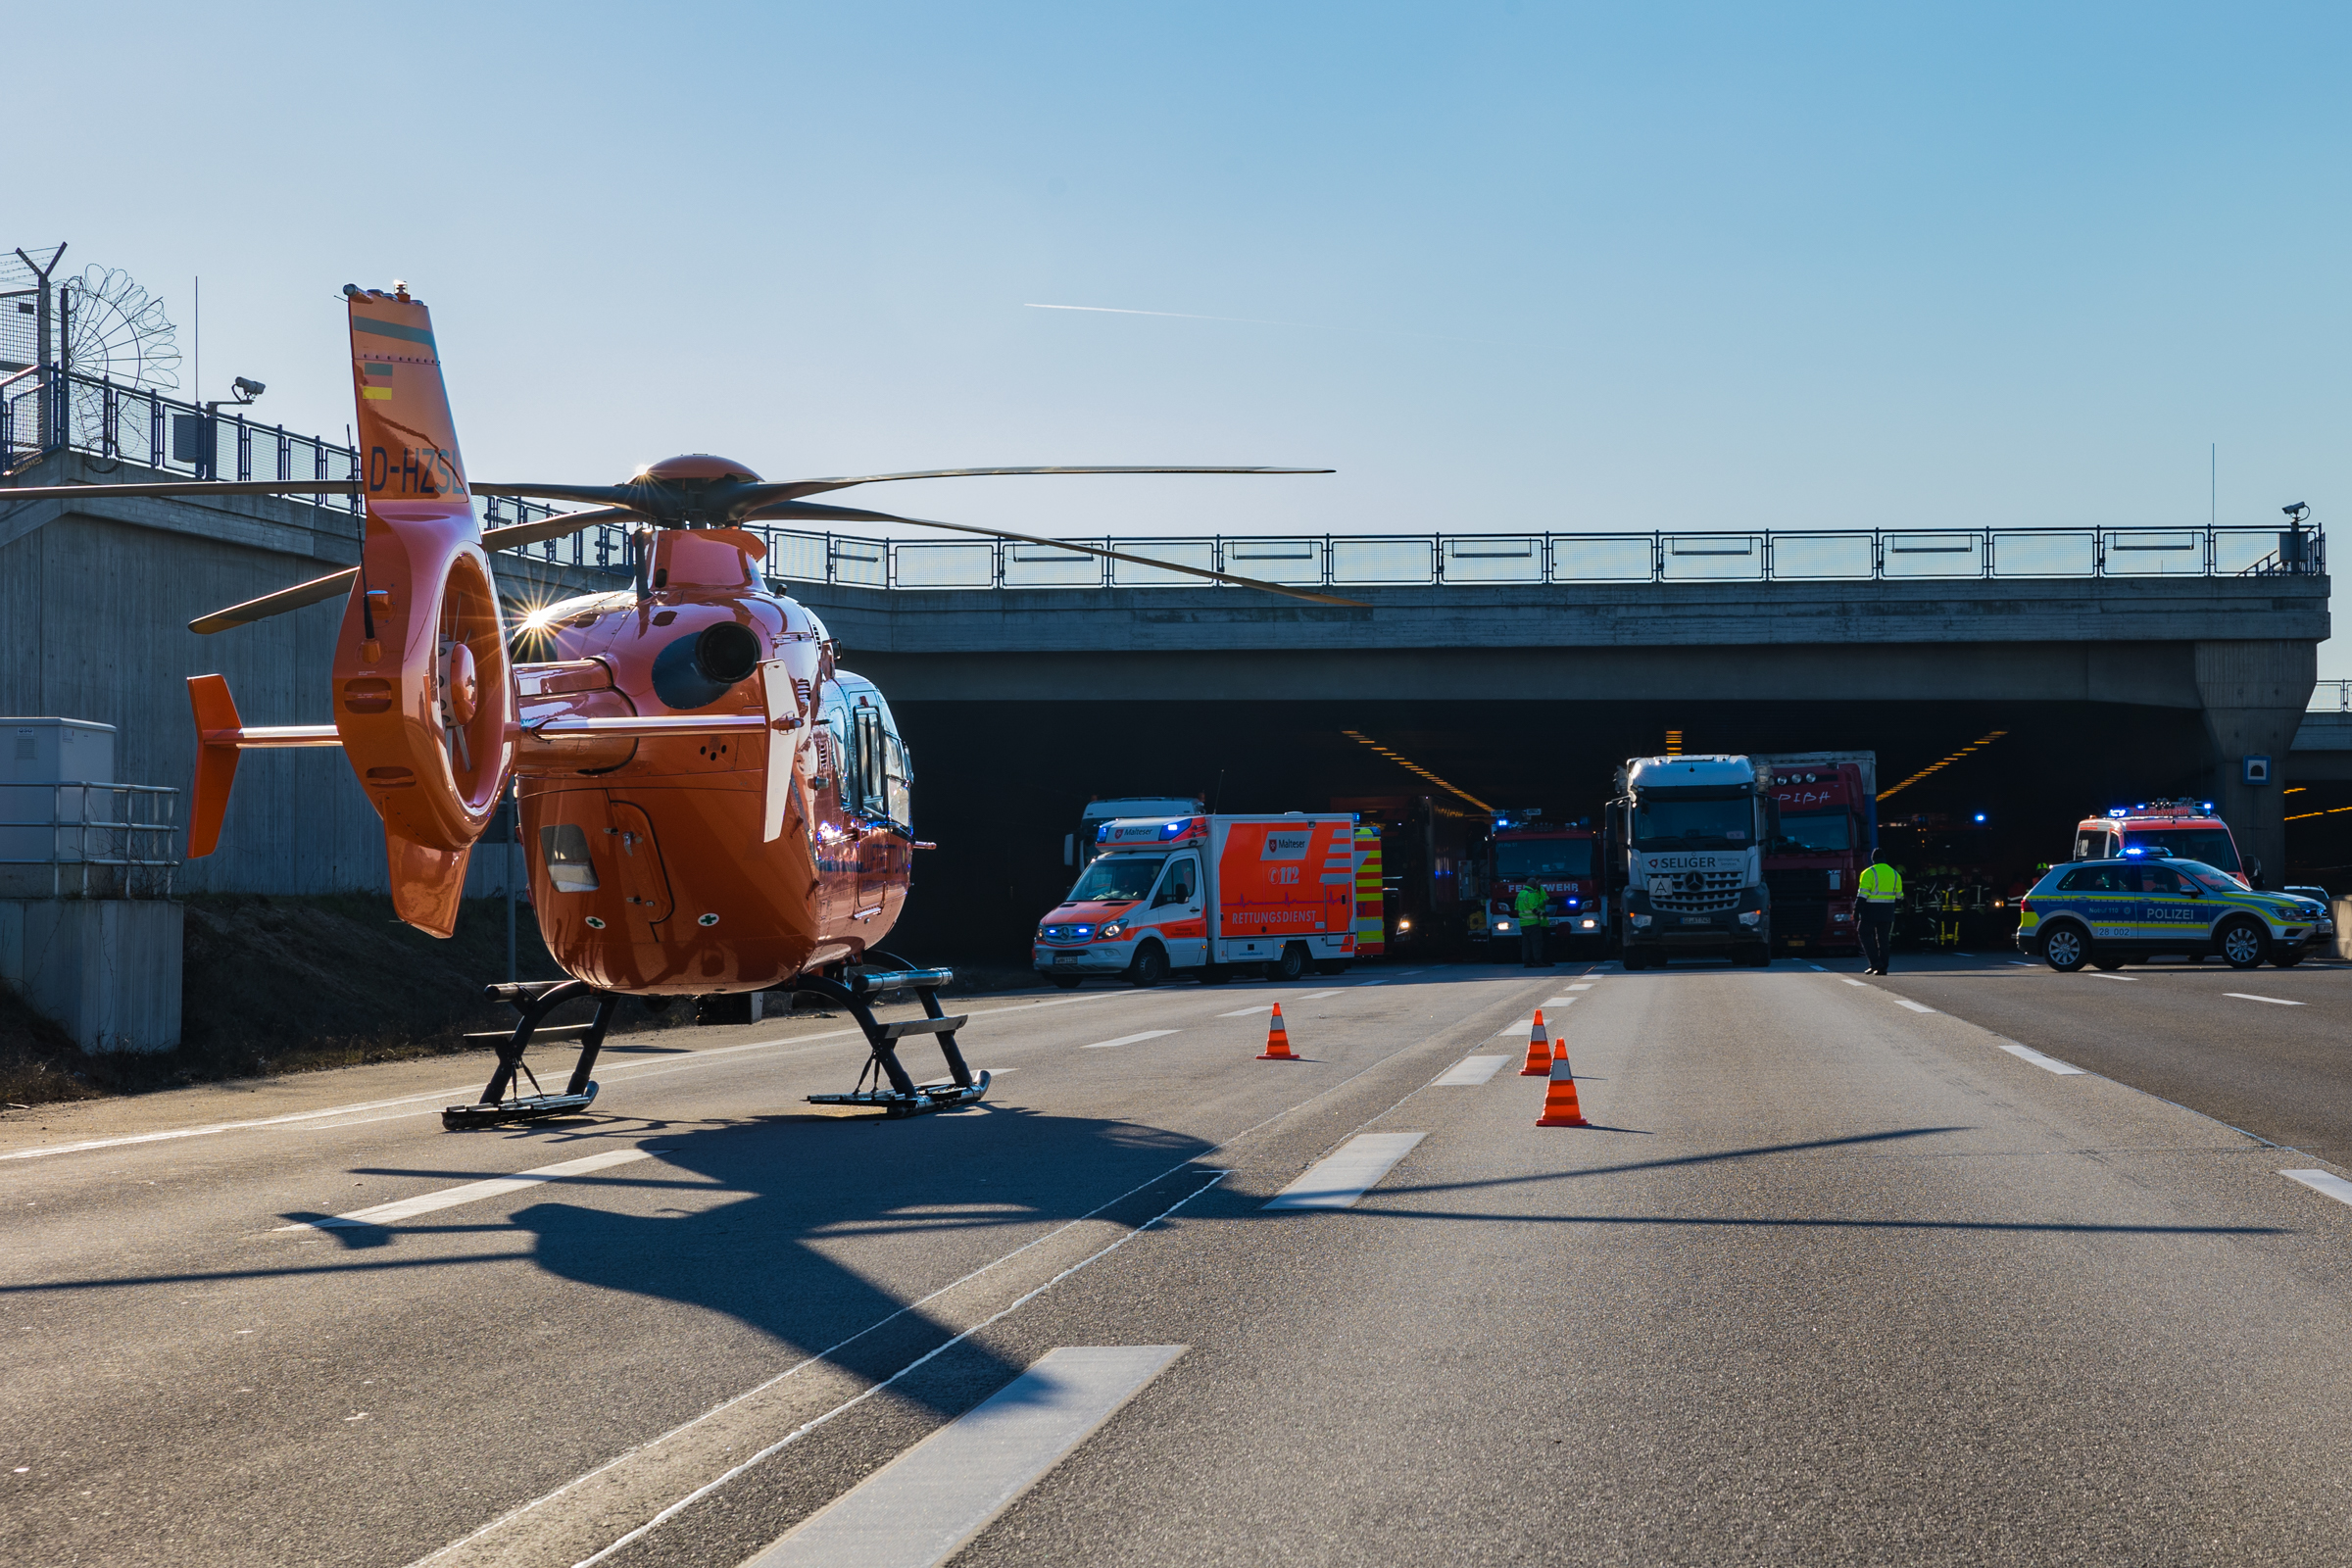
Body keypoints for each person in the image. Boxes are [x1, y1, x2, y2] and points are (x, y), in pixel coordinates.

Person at [1856, 854, 1903, 975]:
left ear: (1873, 860)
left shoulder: (1869, 872)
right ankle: (1883, 968)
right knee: (1883, 939)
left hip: (1870, 910)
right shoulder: (1895, 873)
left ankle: (1875, 963)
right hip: (1887, 911)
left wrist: (1856, 911)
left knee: (1864, 934)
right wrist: (1890, 907)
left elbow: (1862, 895)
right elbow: (1899, 896)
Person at [1515, 878, 1551, 967]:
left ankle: (1526, 962)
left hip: (1523, 923)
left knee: (1526, 944)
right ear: (1533, 885)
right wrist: (1543, 914)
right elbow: (1534, 908)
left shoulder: (1521, 893)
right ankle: (1538, 961)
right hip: (1533, 923)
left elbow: (1516, 907)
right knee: (1536, 943)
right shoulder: (1531, 894)